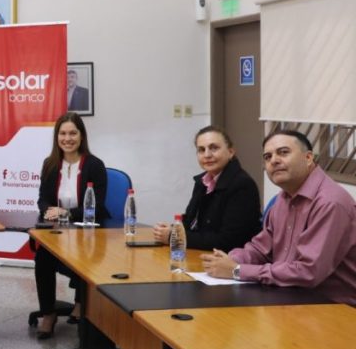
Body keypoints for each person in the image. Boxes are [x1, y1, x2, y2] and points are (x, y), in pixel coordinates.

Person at [201, 130, 356, 305]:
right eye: (267, 157)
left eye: (283, 152)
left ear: (308, 158)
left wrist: (237, 270)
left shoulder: (330, 203)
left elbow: (307, 272)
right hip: (289, 297)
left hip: (335, 308)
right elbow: (261, 249)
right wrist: (230, 260)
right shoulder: (283, 198)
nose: (274, 160)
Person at [33, 112, 109, 339]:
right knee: (42, 259)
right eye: (63, 133)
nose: (67, 139)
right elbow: (42, 198)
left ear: (81, 135)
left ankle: (81, 303)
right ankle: (48, 313)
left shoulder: (94, 165)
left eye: (73, 133)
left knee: (85, 257)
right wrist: (48, 210)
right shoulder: (50, 164)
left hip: (88, 232)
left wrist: (66, 212)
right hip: (58, 232)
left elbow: (97, 205)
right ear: (57, 137)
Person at [152, 126, 262, 251]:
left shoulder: (242, 185)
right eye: (201, 150)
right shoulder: (202, 181)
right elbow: (190, 222)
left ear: (231, 152)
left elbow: (229, 241)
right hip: (202, 254)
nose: (207, 155)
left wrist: (175, 236)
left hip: (230, 259)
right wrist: (173, 229)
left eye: (214, 148)